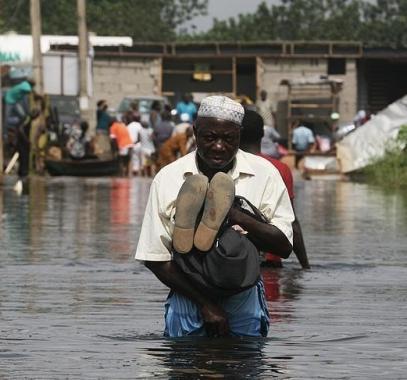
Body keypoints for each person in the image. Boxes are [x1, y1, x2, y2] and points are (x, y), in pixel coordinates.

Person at [135, 95, 294, 338]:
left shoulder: (265, 174)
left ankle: (225, 215)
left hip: (243, 289)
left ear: (239, 136)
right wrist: (206, 305)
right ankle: (198, 225)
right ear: (195, 133)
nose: (219, 146)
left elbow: (283, 246)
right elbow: (154, 257)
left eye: (228, 139)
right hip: (189, 291)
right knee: (190, 366)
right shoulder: (169, 178)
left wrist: (235, 215)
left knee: (242, 364)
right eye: (210, 138)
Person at [240, 109, 310, 269]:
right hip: (270, 263)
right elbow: (291, 221)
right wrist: (305, 265)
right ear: (262, 134)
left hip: (233, 259)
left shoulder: (225, 166)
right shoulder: (280, 168)